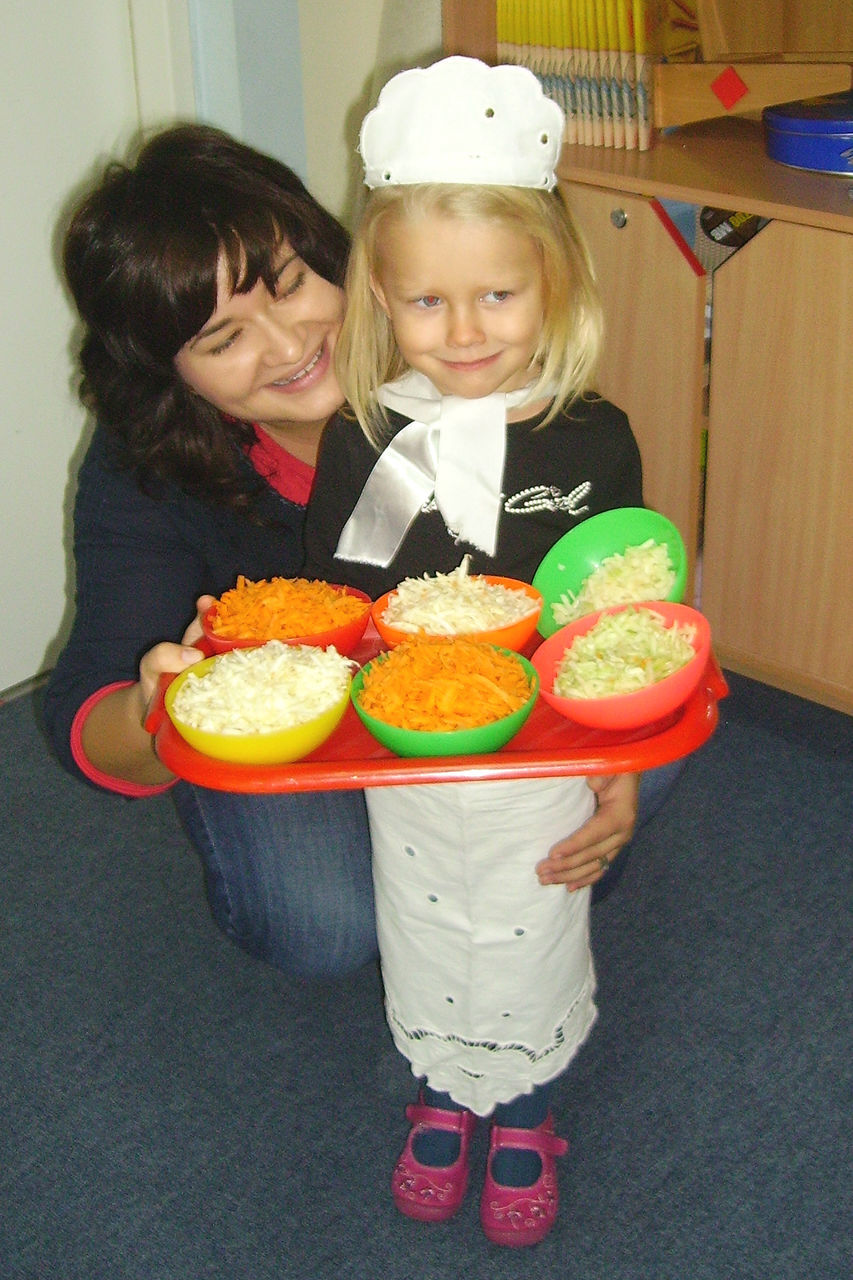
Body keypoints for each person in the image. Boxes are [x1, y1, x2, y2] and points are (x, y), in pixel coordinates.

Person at [44, 121, 641, 986]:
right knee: (324, 927)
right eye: (222, 339)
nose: (288, 348)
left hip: (477, 695)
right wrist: (158, 709)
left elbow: (593, 589)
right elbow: (82, 718)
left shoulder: (455, 343)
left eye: (289, 287)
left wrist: (604, 757)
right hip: (306, 740)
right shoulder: (149, 462)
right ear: (171, 375)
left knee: (606, 816)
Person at [302, 57, 676, 1246]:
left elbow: (612, 628)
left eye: (498, 298)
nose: (462, 333)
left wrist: (617, 767)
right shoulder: (370, 441)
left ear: (554, 286)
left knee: (528, 920)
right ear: (380, 299)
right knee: (421, 919)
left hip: (541, 762)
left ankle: (524, 1099)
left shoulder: (595, 440)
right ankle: (436, 1087)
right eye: (426, 303)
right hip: (410, 761)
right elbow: (342, 607)